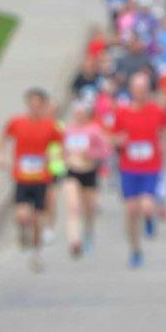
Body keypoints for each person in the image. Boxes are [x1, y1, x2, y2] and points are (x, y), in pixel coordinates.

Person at [108, 70, 166, 268]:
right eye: (136, 88)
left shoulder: (157, 111)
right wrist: (118, 140)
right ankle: (135, 250)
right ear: (131, 90)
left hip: (151, 166)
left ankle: (149, 218)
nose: (140, 92)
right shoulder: (122, 112)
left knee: (145, 204)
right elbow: (112, 136)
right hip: (129, 167)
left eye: (143, 89)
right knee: (130, 210)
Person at [0, 88, 64, 272]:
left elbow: (60, 145)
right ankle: (21, 232)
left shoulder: (51, 126)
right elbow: (4, 139)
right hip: (22, 177)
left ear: (43, 106)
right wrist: (1, 156)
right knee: (21, 214)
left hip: (41, 179)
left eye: (38, 105)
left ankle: (36, 254)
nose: (34, 108)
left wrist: (55, 158)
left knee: (37, 220)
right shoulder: (16, 123)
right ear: (27, 105)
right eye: (31, 104)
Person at [59, 99, 108, 258]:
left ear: (87, 114)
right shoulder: (68, 130)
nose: (79, 116)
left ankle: (88, 231)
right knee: (73, 207)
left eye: (82, 113)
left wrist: (91, 154)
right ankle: (74, 241)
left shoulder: (94, 130)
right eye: (76, 113)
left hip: (89, 172)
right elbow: (60, 149)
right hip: (72, 171)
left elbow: (105, 150)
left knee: (88, 209)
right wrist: (62, 158)